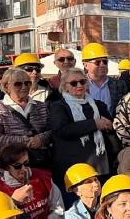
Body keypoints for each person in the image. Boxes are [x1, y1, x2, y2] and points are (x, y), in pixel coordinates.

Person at [48, 67, 113, 202]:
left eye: (83, 82)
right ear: (65, 87)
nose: (79, 85)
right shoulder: (58, 106)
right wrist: (94, 124)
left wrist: (108, 124)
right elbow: (61, 130)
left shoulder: (98, 105)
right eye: (74, 83)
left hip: (99, 164)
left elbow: (110, 126)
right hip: (73, 166)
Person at [0, 143, 64, 219]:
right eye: (17, 166)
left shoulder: (42, 177)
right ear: (7, 167)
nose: (23, 168)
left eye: (26, 163)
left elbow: (58, 208)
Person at [0, 68, 52, 168]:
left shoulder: (41, 106)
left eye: (27, 83)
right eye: (18, 84)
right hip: (11, 166)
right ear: (7, 86)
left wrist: (41, 139)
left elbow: (52, 130)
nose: (24, 87)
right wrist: (25, 141)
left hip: (40, 163)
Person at [82, 43, 128, 117]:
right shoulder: (79, 85)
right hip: (89, 126)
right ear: (86, 65)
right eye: (97, 62)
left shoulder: (119, 85)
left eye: (105, 62)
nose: (102, 65)